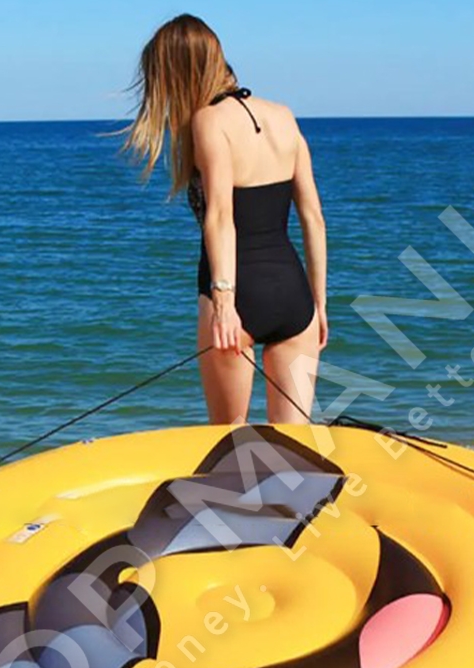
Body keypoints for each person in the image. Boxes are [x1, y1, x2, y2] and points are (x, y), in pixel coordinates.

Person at [122, 14, 327, 424]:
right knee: (292, 448)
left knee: (229, 440)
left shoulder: (209, 122)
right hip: (294, 298)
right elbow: (313, 217)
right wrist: (319, 304)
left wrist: (224, 303)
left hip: (237, 301)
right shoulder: (284, 116)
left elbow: (220, 216)